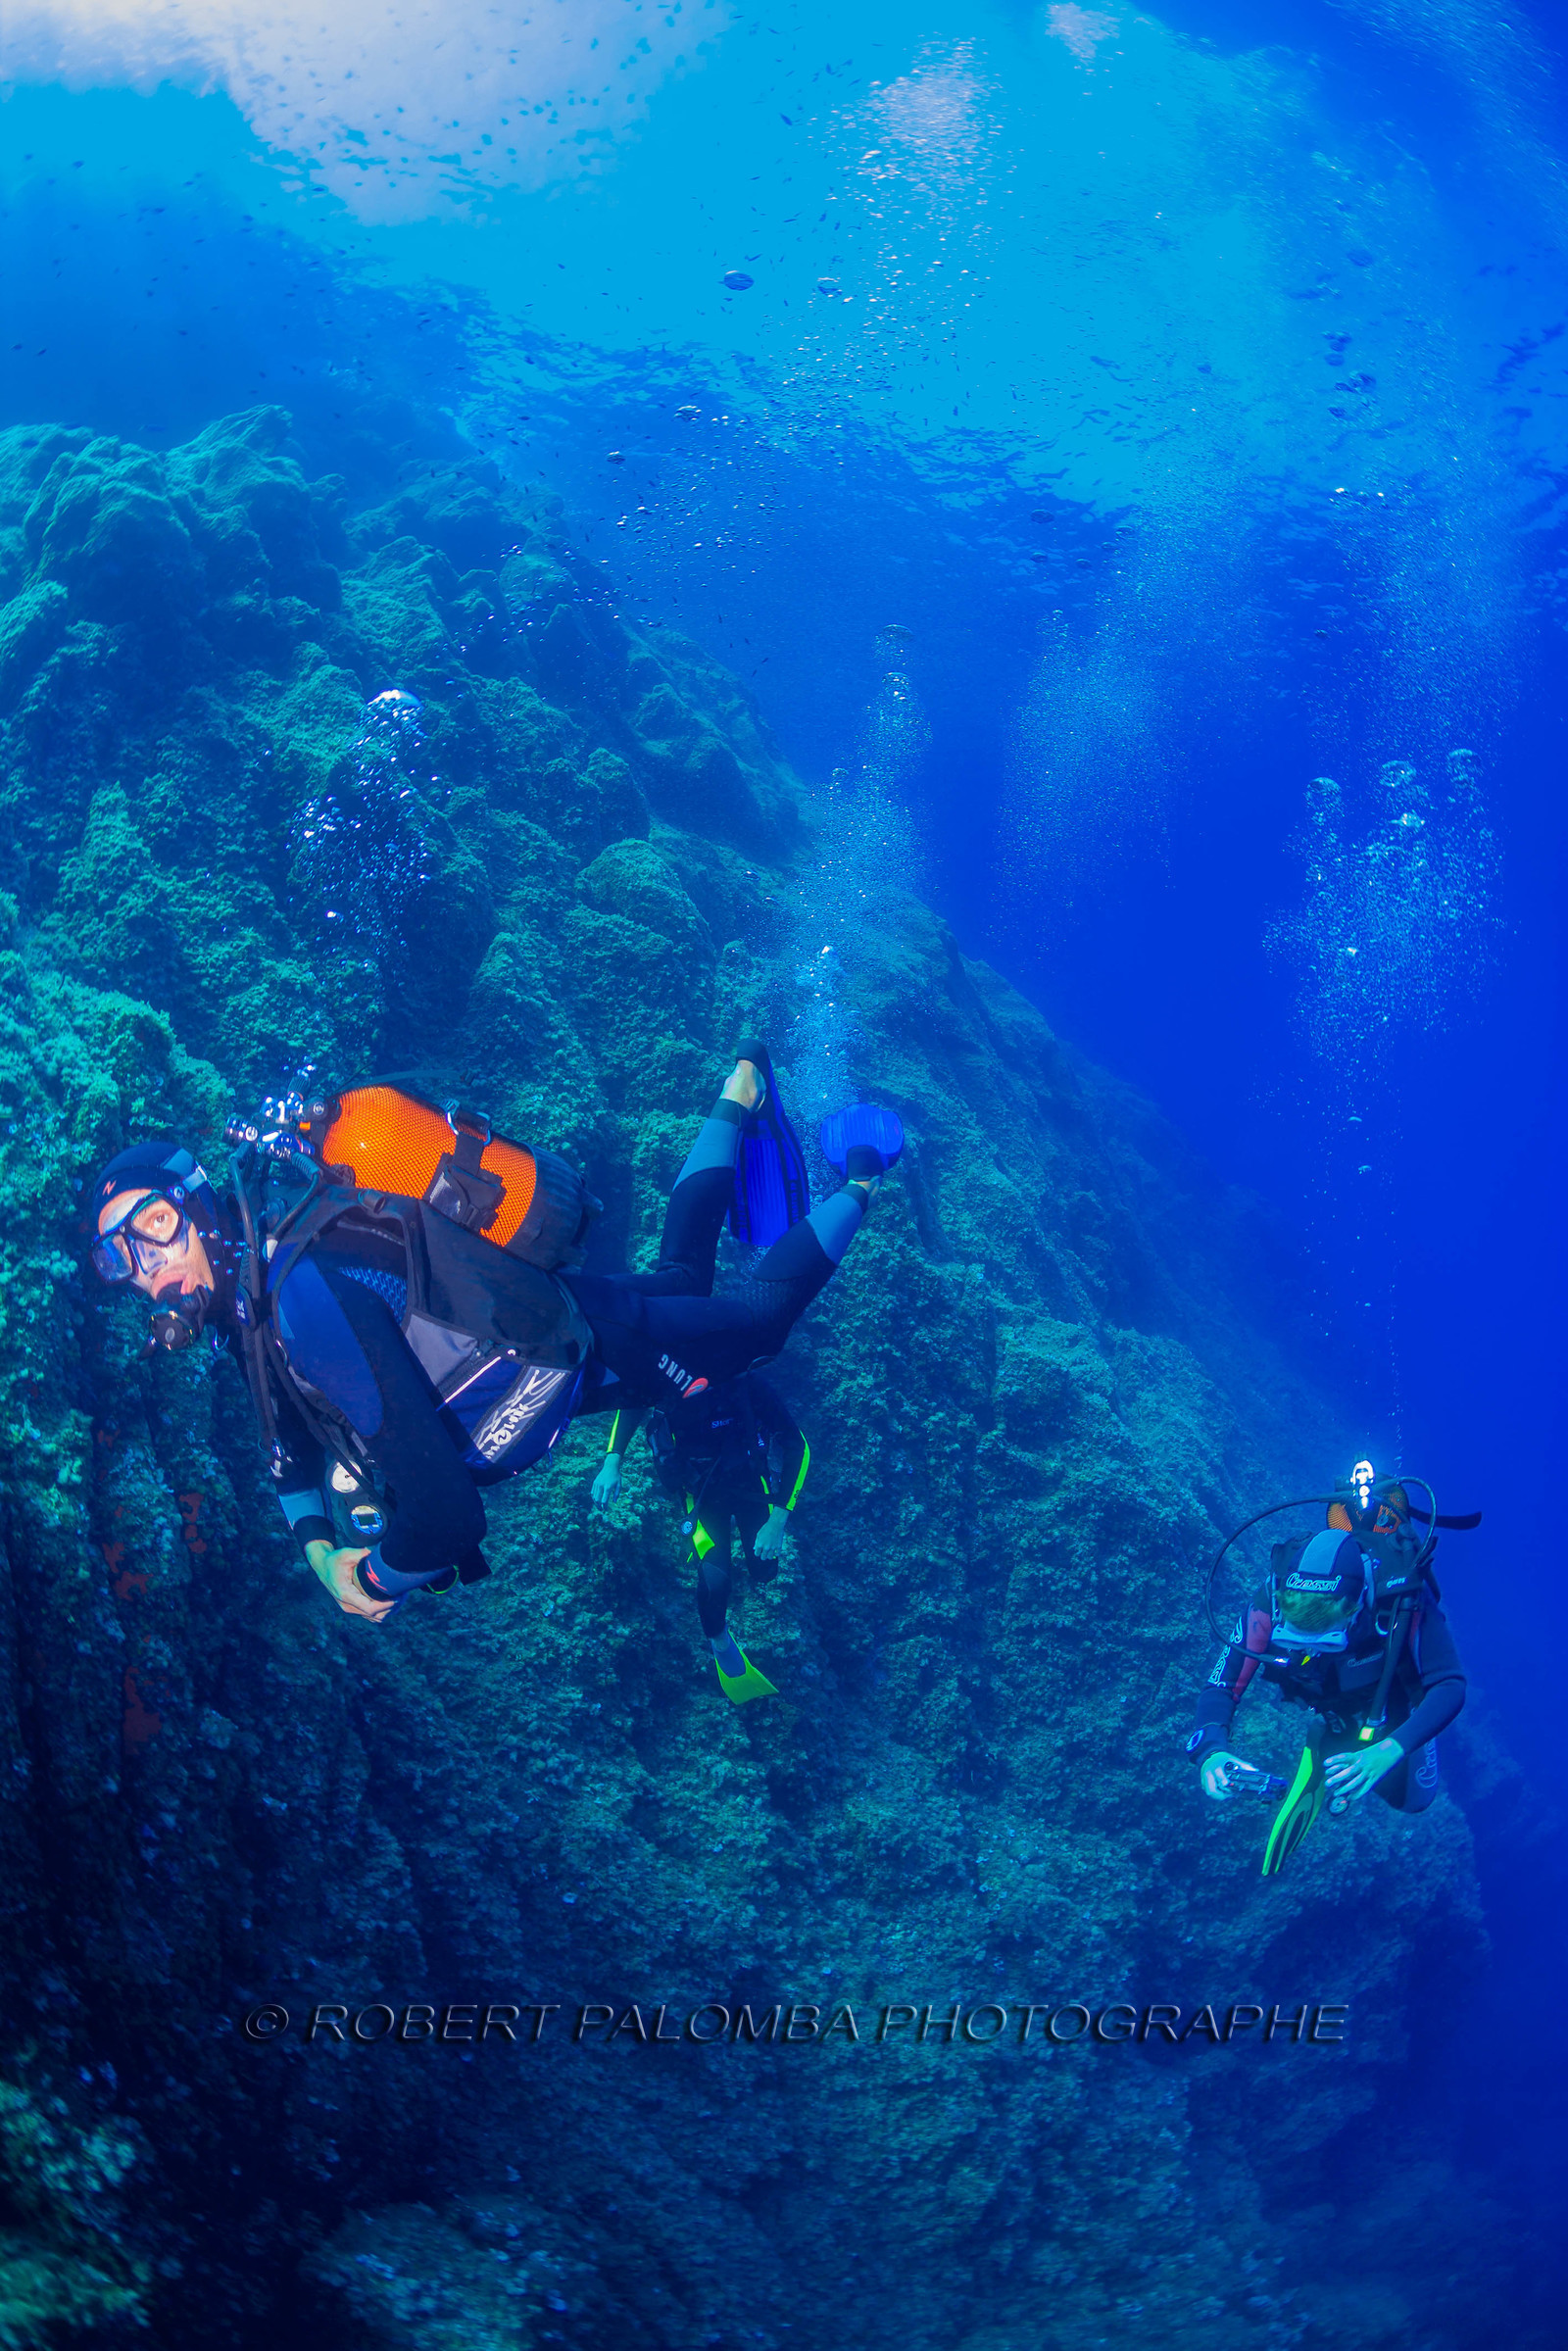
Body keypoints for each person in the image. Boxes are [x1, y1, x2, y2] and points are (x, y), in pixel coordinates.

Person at [86, 1050, 903, 1628]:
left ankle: (863, 1173)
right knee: (683, 1281)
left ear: (197, 1204)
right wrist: (315, 1550)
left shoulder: (298, 1301)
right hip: (554, 1362)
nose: (147, 1264)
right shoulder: (256, 1308)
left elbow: (444, 1518)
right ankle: (738, 1091)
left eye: (154, 1225)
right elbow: (289, 1447)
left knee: (753, 1332)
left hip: (578, 1346)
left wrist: (368, 1577)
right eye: (118, 1255)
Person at [1188, 1464, 1469, 1874]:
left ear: (1356, 1608)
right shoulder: (1269, 1599)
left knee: (1413, 1801)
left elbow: (1450, 1685)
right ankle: (1330, 1736)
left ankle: (1368, 1741)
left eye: (1323, 1638)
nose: (1307, 1652)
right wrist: (1211, 1752)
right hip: (1332, 1700)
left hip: (1392, 1706)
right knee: (1344, 1739)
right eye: (1296, 1637)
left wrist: (1390, 1750)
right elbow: (1221, 1685)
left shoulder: (1400, 1599)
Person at [590, 1372, 809, 1702]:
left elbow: (797, 1445)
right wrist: (612, 1462)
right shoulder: (670, 1375)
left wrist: (777, 1521)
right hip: (700, 1493)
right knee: (715, 1583)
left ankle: (753, 1554)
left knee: (765, 1571)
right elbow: (632, 1401)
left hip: (752, 1486)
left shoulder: (744, 1378)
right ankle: (720, 1641)